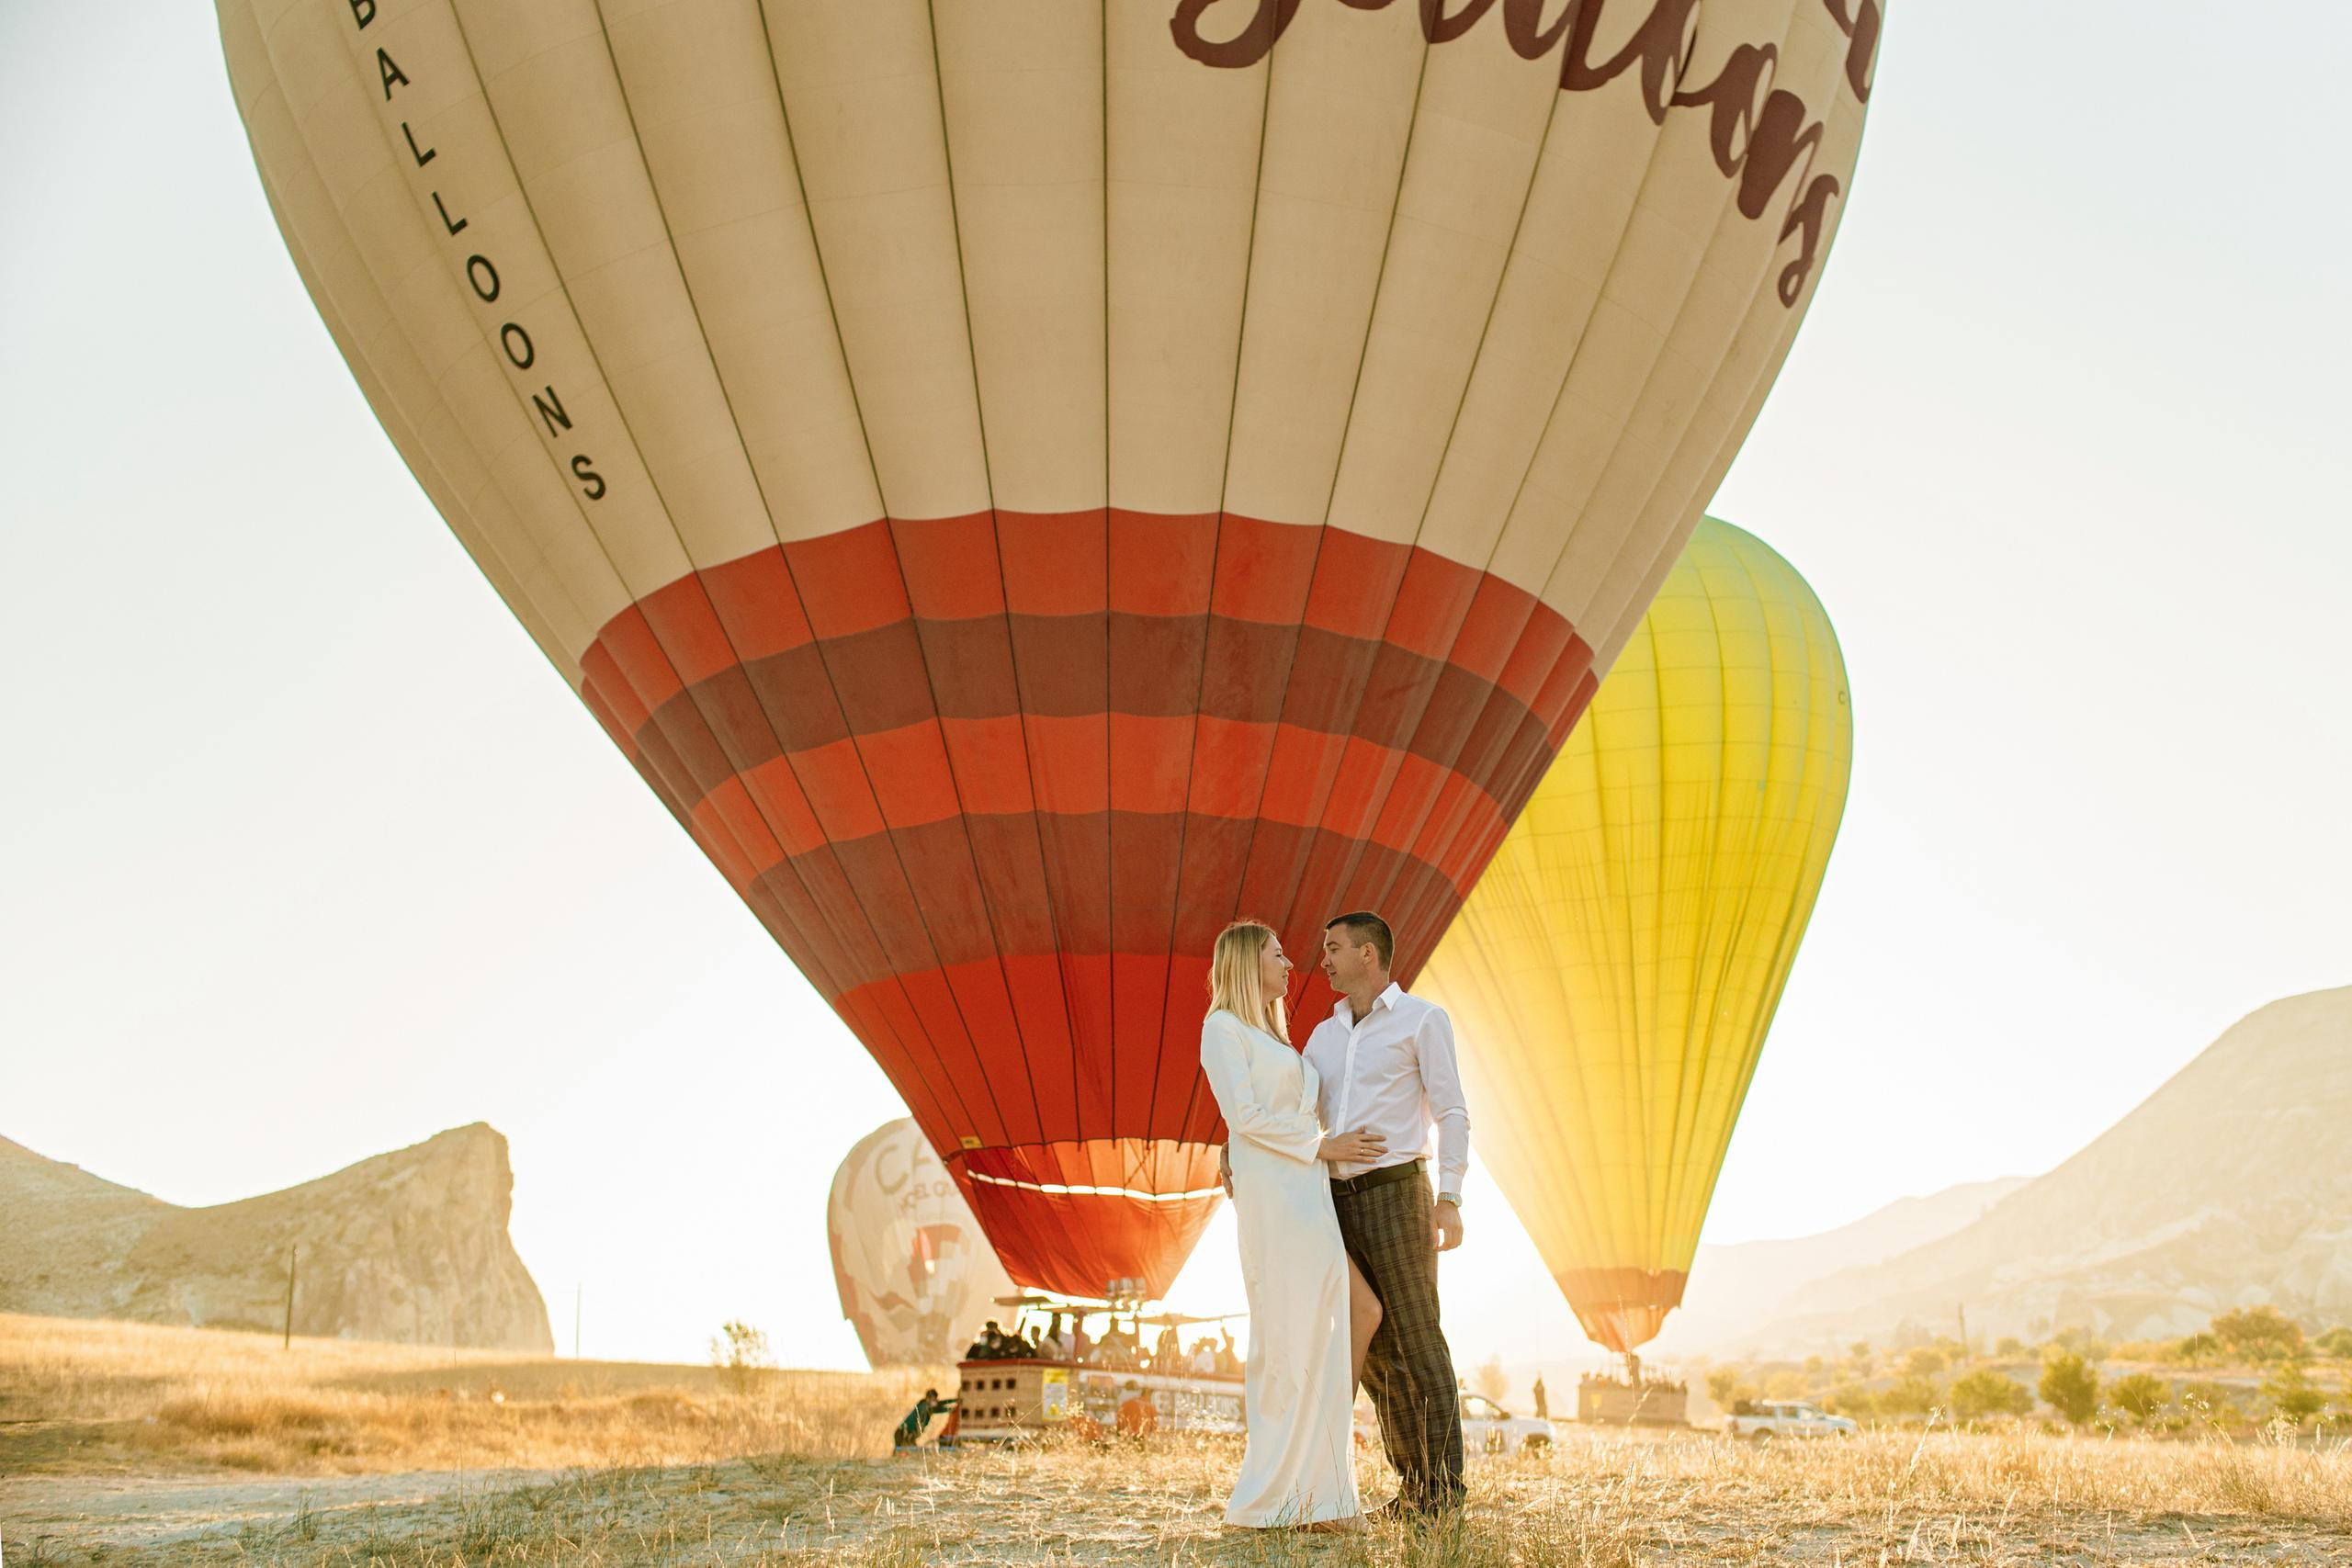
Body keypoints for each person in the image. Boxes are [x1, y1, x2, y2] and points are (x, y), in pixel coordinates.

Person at [1199, 919, 1376, 1532]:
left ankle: (1323, 1492)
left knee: (1345, 1322)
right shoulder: (1221, 1027)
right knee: (1291, 1339)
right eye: (1278, 954)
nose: (1290, 963)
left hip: (1307, 1194)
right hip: (1277, 1201)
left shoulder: (1274, 1036)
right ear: (1249, 962)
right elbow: (1244, 1114)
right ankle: (1280, 1499)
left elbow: (1266, 1117)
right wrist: (1323, 1146)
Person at [1304, 910, 1470, 1518]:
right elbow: (1298, 1111)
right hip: (1334, 1200)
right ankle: (1413, 1487)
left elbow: (1451, 1111)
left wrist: (1449, 1196)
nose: (1323, 958)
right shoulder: (1322, 1036)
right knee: (1373, 1351)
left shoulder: (1423, 1019)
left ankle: (1443, 1495)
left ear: (1367, 953)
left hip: (1398, 1195)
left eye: (1333, 947)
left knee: (1418, 1339)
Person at [894, 1387, 955, 1451]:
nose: (936, 1402)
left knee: (910, 1451)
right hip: (902, 1434)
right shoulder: (924, 1407)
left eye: (936, 1400)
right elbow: (938, 1407)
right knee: (904, 1451)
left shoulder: (926, 1405)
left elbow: (941, 1403)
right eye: (934, 1400)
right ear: (928, 1399)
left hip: (906, 1434)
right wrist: (950, 1409)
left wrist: (954, 1401)